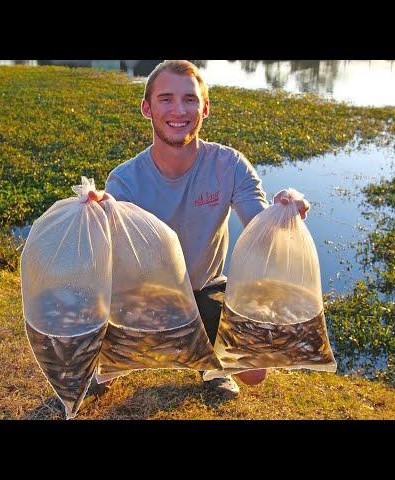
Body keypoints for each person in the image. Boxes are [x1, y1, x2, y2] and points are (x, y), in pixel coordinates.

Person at [88, 60, 309, 399]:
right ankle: (110, 361)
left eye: (190, 99)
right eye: (166, 98)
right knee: (100, 363)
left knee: (253, 372)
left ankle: (211, 367)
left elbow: (258, 226)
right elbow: (114, 254)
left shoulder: (230, 165)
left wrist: (285, 213)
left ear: (205, 107)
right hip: (148, 294)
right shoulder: (124, 179)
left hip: (205, 287)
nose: (179, 110)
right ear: (147, 108)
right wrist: (94, 218)